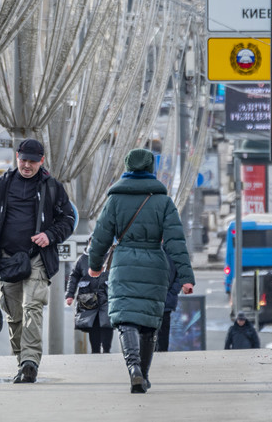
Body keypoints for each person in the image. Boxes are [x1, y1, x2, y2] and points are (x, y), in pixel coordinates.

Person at [0, 138, 76, 384]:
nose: (27, 165)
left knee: (32, 308)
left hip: (37, 258)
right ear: (17, 158)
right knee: (14, 315)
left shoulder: (52, 187)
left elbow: (68, 219)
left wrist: (50, 235)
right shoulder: (1, 185)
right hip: (7, 260)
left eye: (33, 161)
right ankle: (21, 361)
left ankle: (30, 361)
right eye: (24, 160)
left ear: (42, 161)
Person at [87, 148, 195, 394]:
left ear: (127, 168)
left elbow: (100, 239)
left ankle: (134, 368)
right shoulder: (163, 202)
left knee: (126, 320)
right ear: (150, 169)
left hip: (123, 264)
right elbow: (175, 242)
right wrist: (186, 278)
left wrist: (94, 267)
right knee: (148, 324)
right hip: (155, 267)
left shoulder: (114, 200)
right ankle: (143, 375)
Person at [65, 239, 113, 353]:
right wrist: (69, 294)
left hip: (107, 295)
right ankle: (95, 351)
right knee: (93, 324)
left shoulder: (112, 255)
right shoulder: (82, 259)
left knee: (107, 323)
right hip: (88, 296)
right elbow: (74, 277)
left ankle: (107, 350)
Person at [157, 250, 183, 352]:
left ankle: (161, 355)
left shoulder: (171, 252)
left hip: (165, 301)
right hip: (153, 300)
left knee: (163, 335)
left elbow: (179, 275)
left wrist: (172, 292)